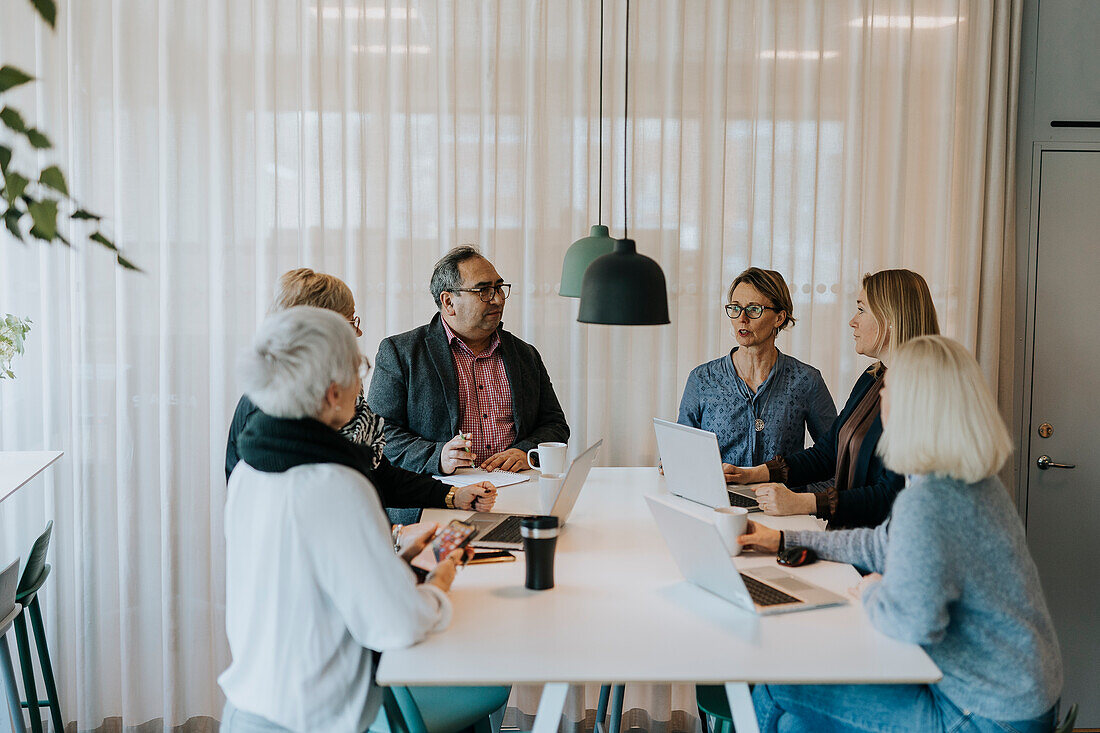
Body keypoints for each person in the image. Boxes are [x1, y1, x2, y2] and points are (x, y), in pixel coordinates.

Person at [740, 336, 1063, 732]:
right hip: (1017, 697)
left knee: (775, 685)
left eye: (888, 388)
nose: (881, 397)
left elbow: (913, 623)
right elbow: (877, 545)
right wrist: (787, 540)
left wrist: (875, 590)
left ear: (911, 405)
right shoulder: (971, 482)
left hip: (983, 714)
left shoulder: (929, 501)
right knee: (794, 724)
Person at [219, 306, 509, 732]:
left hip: (250, 707)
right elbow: (398, 624)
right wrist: (439, 581)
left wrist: (387, 557)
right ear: (333, 392)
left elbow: (309, 582)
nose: (363, 385)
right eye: (360, 369)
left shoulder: (252, 469)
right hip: (319, 717)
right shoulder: (335, 482)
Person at [225, 268, 496, 517]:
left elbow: (378, 473)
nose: (358, 332)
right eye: (349, 321)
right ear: (320, 328)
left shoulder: (336, 392)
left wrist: (452, 495)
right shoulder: (269, 411)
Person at [727, 269, 939, 528]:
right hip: (847, 535)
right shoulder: (872, 378)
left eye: (861, 310)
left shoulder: (922, 393)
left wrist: (803, 502)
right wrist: (751, 475)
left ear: (890, 318)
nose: (853, 321)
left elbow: (891, 495)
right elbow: (828, 453)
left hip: (876, 548)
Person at [368, 245, 570, 475]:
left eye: (499, 287)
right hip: (438, 491)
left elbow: (554, 424)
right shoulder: (400, 353)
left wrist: (525, 451)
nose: (497, 299)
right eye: (483, 291)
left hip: (517, 485)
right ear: (449, 302)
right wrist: (437, 456)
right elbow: (379, 433)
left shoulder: (525, 354)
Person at [678, 267, 836, 469]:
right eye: (735, 308)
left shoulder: (806, 380)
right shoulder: (702, 379)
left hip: (781, 499)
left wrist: (804, 497)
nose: (742, 319)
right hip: (720, 499)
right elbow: (682, 453)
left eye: (753, 309)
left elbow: (834, 453)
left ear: (779, 318)